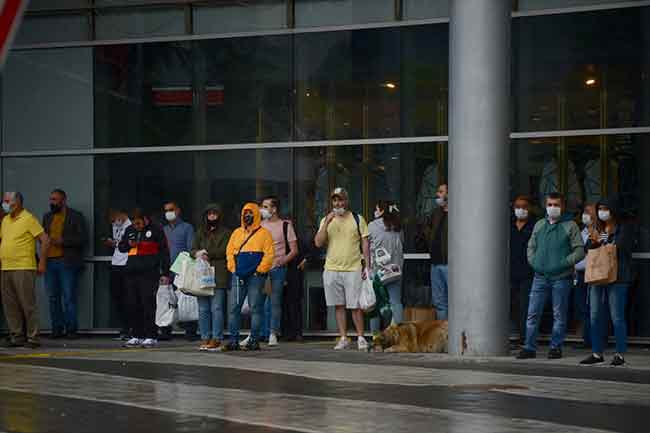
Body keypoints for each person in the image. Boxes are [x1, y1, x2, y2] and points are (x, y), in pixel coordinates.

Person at [517, 192, 585, 360]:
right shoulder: (539, 224)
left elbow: (580, 250)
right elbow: (530, 247)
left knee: (559, 315)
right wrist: (534, 263)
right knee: (532, 313)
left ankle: (555, 347)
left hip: (562, 278)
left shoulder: (570, 226)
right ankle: (529, 347)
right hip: (539, 277)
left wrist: (564, 262)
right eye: (549, 204)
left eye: (556, 205)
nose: (552, 208)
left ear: (562, 207)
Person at [580, 197, 635, 366]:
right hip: (598, 276)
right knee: (595, 315)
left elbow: (622, 247)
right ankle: (597, 353)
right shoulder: (598, 227)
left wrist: (604, 241)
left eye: (606, 208)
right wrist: (594, 240)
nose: (602, 212)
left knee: (616, 316)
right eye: (600, 209)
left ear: (614, 210)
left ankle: (620, 354)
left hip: (618, 277)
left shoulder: (625, 227)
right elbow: (588, 248)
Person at [314, 187, 371, 351]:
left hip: (352, 267)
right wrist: (326, 223)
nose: (338, 203)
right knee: (338, 305)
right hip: (332, 268)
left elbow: (365, 243)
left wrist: (367, 265)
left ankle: (360, 337)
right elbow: (318, 242)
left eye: (341, 200)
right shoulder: (326, 220)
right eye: (335, 200)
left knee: (355, 305)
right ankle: (344, 337)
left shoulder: (357, 218)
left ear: (346, 201)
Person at [0, 192, 50, 348]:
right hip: (6, 267)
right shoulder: (6, 220)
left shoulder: (28, 218)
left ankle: (33, 337)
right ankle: (17, 336)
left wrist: (42, 262)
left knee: (27, 303)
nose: (5, 203)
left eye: (8, 201)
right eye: (4, 201)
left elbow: (45, 240)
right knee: (10, 305)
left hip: (23, 266)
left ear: (18, 202)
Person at [223, 202, 274, 351]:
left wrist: (259, 270)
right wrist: (233, 268)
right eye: (245, 213)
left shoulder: (264, 234)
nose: (247, 216)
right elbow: (229, 252)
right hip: (238, 275)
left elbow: (269, 255)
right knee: (234, 308)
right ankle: (233, 340)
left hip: (256, 277)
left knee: (255, 308)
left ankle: (254, 340)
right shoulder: (236, 233)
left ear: (257, 215)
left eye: (250, 213)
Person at [118, 209, 171, 348]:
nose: (136, 226)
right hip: (131, 272)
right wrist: (129, 244)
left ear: (145, 219)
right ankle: (136, 335)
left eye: (139, 223)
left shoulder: (156, 230)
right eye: (134, 223)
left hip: (149, 273)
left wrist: (165, 273)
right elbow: (121, 247)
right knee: (133, 304)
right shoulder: (130, 229)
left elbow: (164, 252)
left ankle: (151, 335)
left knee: (148, 304)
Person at [42, 189, 87, 339]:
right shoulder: (47, 217)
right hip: (50, 261)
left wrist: (64, 241)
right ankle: (56, 329)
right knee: (53, 297)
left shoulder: (75, 216)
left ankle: (71, 329)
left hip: (66, 261)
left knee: (68, 297)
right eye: (51, 199)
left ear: (63, 200)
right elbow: (42, 237)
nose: (52, 202)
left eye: (55, 200)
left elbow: (83, 239)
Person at [255, 196, 298, 347]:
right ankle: (259, 333)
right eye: (262, 206)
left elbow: (294, 250)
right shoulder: (259, 226)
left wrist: (282, 261)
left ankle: (273, 332)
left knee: (274, 302)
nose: (263, 210)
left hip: (277, 269)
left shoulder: (285, 225)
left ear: (274, 209)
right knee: (258, 303)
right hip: (261, 269)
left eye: (266, 207)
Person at [191, 203, 231, 351]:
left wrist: (207, 253)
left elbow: (225, 250)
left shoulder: (226, 233)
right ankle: (205, 337)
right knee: (203, 309)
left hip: (219, 274)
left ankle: (216, 338)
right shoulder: (200, 231)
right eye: (209, 214)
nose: (212, 216)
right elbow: (192, 249)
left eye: (215, 214)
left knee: (217, 308)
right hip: (202, 274)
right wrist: (197, 253)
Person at [161, 201, 196, 341]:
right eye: (166, 210)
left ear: (178, 210)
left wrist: (180, 269)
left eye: (171, 209)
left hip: (182, 269)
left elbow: (190, 249)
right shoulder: (163, 229)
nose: (168, 212)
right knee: (166, 300)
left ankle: (190, 332)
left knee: (186, 300)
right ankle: (165, 330)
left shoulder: (187, 228)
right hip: (166, 269)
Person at [369, 200, 404, 331]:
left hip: (377, 272)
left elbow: (367, 246)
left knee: (376, 304)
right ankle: (399, 334)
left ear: (382, 211)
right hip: (395, 270)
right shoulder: (398, 227)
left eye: (377, 208)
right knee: (396, 303)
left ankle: (376, 336)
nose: (375, 211)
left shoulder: (372, 226)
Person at [510, 195, 536, 345]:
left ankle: (526, 337)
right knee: (513, 305)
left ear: (530, 208)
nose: (520, 210)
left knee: (526, 306)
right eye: (517, 207)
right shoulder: (509, 224)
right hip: (510, 272)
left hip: (528, 272)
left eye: (524, 207)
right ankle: (517, 333)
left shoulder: (535, 225)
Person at [103, 208, 132, 341]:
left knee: (128, 299)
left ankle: (130, 329)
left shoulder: (131, 225)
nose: (113, 222)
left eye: (114, 218)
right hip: (116, 263)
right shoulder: (116, 225)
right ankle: (124, 328)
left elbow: (128, 244)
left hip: (127, 263)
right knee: (117, 297)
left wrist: (116, 243)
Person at [573, 203, 596, 349]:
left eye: (588, 212)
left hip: (594, 275)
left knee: (593, 309)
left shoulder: (599, 233)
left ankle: (594, 340)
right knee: (582, 308)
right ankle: (587, 339)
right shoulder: (581, 233)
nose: (585, 215)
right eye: (584, 212)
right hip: (580, 275)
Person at [426, 183, 449, 320]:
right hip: (435, 262)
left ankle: (455, 333)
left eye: (440, 192)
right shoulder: (436, 213)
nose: (437, 194)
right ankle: (444, 333)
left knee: (454, 299)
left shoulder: (459, 213)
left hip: (450, 263)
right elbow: (427, 229)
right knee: (439, 302)